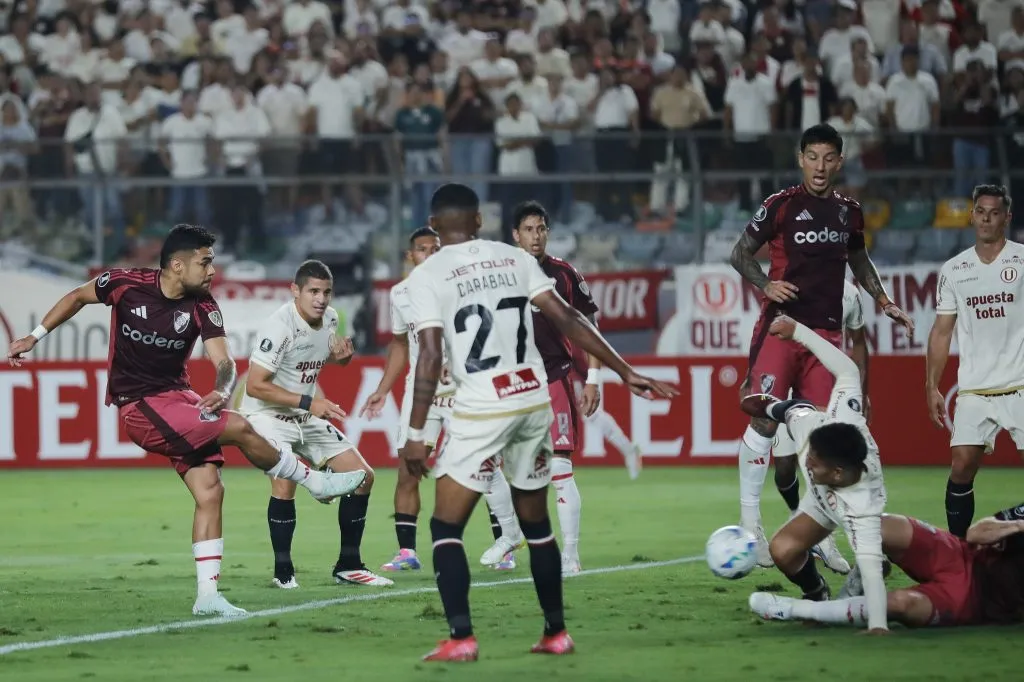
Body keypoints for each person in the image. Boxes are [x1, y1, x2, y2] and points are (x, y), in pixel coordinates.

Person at [5, 225, 365, 617]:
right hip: (139, 405)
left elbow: (225, 363)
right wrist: (34, 336)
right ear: (177, 265)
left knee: (211, 490)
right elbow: (77, 296)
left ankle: (207, 597)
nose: (212, 270)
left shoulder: (203, 305)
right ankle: (314, 481)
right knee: (241, 427)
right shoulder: (124, 283)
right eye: (205, 262)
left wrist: (224, 389)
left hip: (179, 399)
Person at [399, 183, 678, 662]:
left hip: (482, 405)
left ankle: (461, 637)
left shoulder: (427, 274)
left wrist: (416, 434)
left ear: (435, 226)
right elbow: (569, 318)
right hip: (532, 399)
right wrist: (625, 370)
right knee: (537, 522)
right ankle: (555, 632)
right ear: (481, 220)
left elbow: (427, 355)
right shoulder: (514, 258)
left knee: (445, 525)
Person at [729, 123, 912, 566]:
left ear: (840, 161)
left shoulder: (849, 212)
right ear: (800, 159)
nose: (820, 166)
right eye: (813, 156)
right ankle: (750, 524)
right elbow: (740, 254)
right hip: (781, 328)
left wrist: (883, 299)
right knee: (764, 419)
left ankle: (821, 535)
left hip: (826, 337)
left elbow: (859, 258)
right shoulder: (781, 205)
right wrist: (766, 285)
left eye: (829, 158)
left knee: (822, 440)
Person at [362, 228, 523, 572]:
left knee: (486, 464)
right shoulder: (401, 293)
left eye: (436, 248)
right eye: (423, 249)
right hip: (423, 392)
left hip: (465, 390)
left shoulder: (462, 286)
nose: (430, 254)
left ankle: (505, 544)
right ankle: (407, 552)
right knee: (408, 467)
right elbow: (400, 343)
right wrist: (382, 388)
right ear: (411, 256)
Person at [243, 259, 393, 590]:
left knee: (363, 477)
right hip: (266, 417)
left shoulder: (332, 318)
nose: (321, 299)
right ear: (295, 291)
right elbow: (255, 385)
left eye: (326, 292)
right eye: (313, 291)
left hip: (304, 416)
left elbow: (314, 359)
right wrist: (312, 403)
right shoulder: (279, 325)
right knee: (285, 480)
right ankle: (284, 571)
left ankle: (349, 565)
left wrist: (341, 359)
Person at [740, 313, 888, 633]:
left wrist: (878, 626)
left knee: (871, 563)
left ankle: (859, 575)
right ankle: (817, 594)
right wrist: (799, 331)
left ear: (837, 472)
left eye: (814, 463)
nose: (806, 462)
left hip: (848, 506)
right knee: (782, 551)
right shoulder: (822, 427)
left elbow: (877, 581)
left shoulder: (861, 506)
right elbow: (843, 374)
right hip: (820, 499)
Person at [750, 502, 1024, 629]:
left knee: (899, 604)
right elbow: (976, 533)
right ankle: (857, 583)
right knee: (876, 525)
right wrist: (1019, 525)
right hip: (962, 554)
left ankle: (797, 610)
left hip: (972, 600)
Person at [926, 184, 1024, 538]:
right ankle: (957, 550)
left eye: (994, 212)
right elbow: (941, 332)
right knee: (962, 465)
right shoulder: (954, 269)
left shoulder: (1022, 259)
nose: (986, 218)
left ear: (1007, 217)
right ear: (971, 216)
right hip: (975, 389)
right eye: (980, 211)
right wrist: (931, 385)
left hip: (1020, 383)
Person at [509, 200, 601, 574]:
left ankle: (571, 555)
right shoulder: (499, 275)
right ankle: (509, 541)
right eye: (529, 229)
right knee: (511, 472)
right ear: (515, 235)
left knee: (560, 467)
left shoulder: (563, 274)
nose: (536, 236)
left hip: (554, 377)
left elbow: (590, 328)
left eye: (541, 228)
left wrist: (593, 378)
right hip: (512, 385)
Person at [767, 279, 870, 574]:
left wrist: (864, 392)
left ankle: (824, 539)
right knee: (785, 468)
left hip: (825, 385)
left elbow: (859, 343)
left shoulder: (850, 293)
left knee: (821, 457)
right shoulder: (787, 286)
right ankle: (800, 518)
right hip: (788, 383)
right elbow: (766, 334)